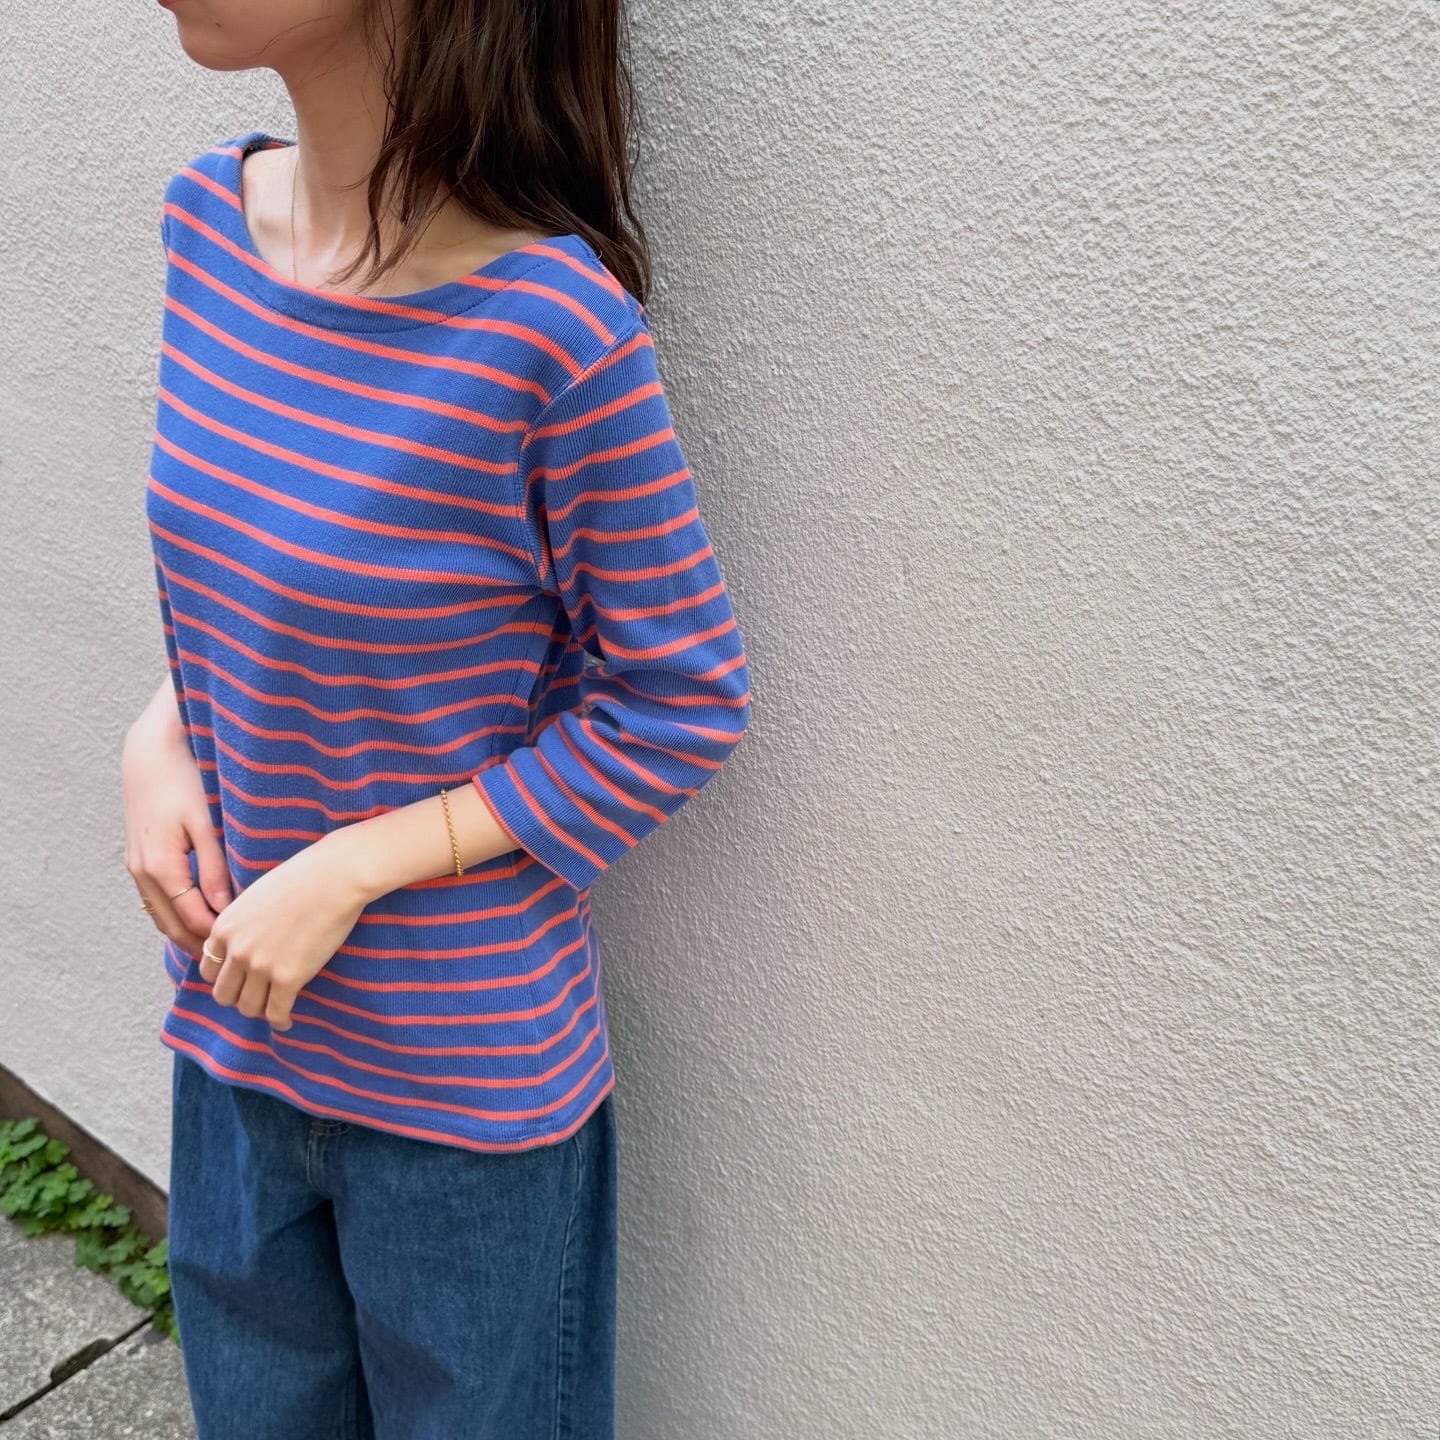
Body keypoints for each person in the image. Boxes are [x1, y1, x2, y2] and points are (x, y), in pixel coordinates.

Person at [120, 2, 752, 1435]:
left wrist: (355, 865)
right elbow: (252, 579)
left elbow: (678, 695)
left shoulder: (551, 334)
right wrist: (157, 733)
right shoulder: (204, 228)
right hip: (234, 1039)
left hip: (459, 1098)